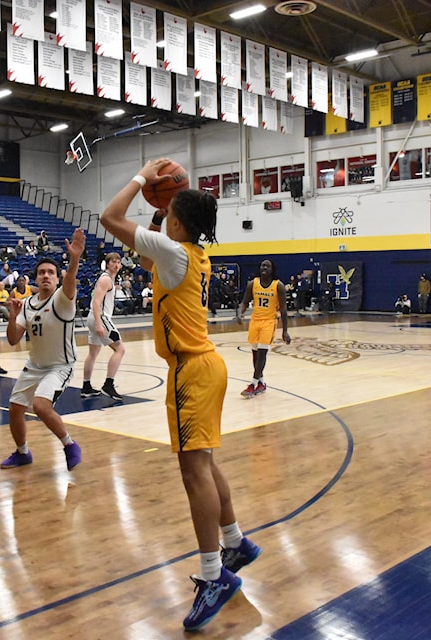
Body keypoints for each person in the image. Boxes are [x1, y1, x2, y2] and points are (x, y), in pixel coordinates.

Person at [99, 158, 259, 632]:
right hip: (203, 367)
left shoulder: (175, 252)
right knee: (204, 464)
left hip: (192, 370)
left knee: (194, 472)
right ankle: (235, 542)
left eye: (167, 214)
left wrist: (141, 179)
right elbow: (146, 259)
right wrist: (158, 209)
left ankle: (215, 575)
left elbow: (109, 218)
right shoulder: (185, 253)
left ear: (178, 221)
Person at [0, 229, 86, 471]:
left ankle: (69, 445)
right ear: (35, 279)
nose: (46, 276)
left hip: (60, 366)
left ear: (57, 279)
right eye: (41, 273)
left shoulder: (62, 299)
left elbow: (70, 281)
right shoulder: (26, 304)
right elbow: (13, 340)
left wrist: (75, 259)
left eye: (51, 273)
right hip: (35, 365)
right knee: (15, 409)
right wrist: (13, 316)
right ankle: (22, 453)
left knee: (40, 406)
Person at [236, 259, 291, 398]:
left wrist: (285, 330)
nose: (264, 267)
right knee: (255, 354)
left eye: (267, 266)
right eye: (262, 265)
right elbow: (245, 301)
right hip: (255, 321)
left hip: (269, 322)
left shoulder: (278, 286)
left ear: (272, 269)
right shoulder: (252, 284)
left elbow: (284, 310)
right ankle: (261, 382)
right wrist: (240, 313)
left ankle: (252, 384)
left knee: (262, 353)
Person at [80, 253, 126, 400]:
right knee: (120, 349)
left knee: (93, 353)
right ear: (107, 264)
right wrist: (99, 324)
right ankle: (108, 384)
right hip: (101, 318)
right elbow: (96, 302)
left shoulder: (108, 278)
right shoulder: (106, 279)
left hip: (94, 318)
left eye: (119, 262)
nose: (117, 265)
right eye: (114, 262)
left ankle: (86, 387)